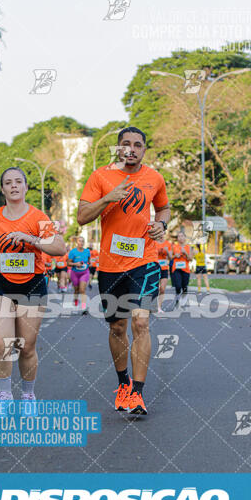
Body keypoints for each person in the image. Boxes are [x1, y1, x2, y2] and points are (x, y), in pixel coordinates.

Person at [77, 126, 170, 415]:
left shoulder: (154, 178)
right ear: (118, 148)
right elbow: (81, 217)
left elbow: (164, 208)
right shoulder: (100, 177)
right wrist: (108, 199)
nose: (131, 148)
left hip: (144, 262)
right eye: (126, 144)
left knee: (141, 323)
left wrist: (161, 224)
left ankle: (138, 394)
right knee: (117, 326)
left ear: (144, 149)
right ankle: (122, 383)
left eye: (138, 144)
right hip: (110, 265)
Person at [0, 167, 66, 403]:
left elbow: (58, 248)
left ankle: (28, 394)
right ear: (3, 189)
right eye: (8, 182)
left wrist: (31, 239)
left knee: (26, 347)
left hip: (32, 286)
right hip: (0, 284)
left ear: (25, 187)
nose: (13, 186)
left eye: (18, 182)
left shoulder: (38, 218)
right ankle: (4, 393)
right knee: (1, 343)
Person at [68, 236, 90, 315]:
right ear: (77, 242)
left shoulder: (87, 251)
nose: (81, 242)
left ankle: (84, 307)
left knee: (82, 290)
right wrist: (75, 264)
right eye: (79, 241)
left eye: (82, 241)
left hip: (84, 273)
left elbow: (89, 261)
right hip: (75, 273)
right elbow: (68, 263)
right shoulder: (72, 252)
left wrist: (87, 265)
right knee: (76, 290)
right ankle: (76, 300)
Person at [171, 231, 193, 306]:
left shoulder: (188, 247)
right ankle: (177, 299)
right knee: (178, 285)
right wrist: (175, 256)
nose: (180, 238)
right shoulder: (174, 246)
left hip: (185, 269)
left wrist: (185, 253)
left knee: (184, 286)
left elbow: (190, 259)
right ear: (177, 238)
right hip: (176, 269)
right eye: (179, 236)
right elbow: (169, 257)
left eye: (182, 236)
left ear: (185, 238)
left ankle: (184, 299)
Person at [156, 238, 172, 313]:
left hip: (164, 268)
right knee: (154, 289)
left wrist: (167, 251)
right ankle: (151, 304)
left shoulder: (168, 244)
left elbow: (171, 257)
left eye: (162, 231)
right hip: (154, 268)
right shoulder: (154, 242)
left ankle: (159, 307)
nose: (161, 233)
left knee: (162, 289)